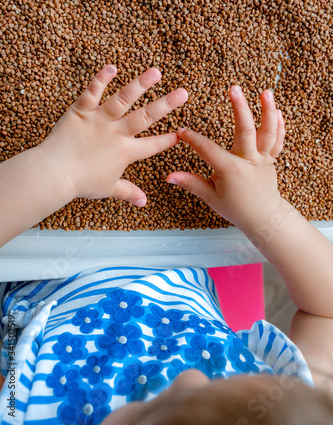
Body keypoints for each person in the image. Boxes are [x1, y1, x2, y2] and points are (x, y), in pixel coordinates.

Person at [0, 65, 332, 424]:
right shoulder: (277, 400)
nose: (187, 375)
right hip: (176, 265)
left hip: (34, 275)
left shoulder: (25, 411)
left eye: (150, 404)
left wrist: (58, 170)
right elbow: (326, 309)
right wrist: (267, 211)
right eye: (214, 380)